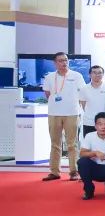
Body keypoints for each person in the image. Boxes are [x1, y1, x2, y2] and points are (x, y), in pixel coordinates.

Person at [42, 52, 86, 181]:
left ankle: (74, 171)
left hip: (72, 113)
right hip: (54, 113)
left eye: (66, 60)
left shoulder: (76, 76)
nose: (64, 63)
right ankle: (54, 172)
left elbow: (82, 93)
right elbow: (47, 93)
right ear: (55, 63)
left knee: (72, 144)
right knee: (55, 143)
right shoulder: (49, 77)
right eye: (61, 60)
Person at [78, 65, 105, 137]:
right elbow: (83, 105)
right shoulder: (84, 88)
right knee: (89, 143)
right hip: (89, 122)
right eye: (94, 72)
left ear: (103, 74)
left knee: (104, 142)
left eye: (100, 73)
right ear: (90, 75)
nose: (97, 75)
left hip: (104, 122)